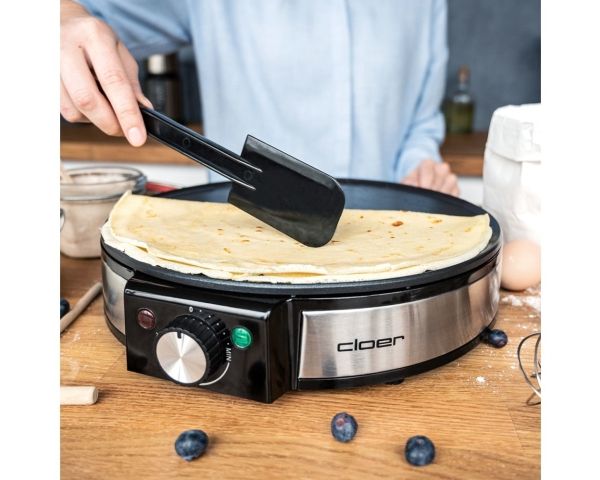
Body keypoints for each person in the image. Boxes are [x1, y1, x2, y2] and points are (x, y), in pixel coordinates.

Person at [60, 0, 459, 195]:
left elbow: (421, 120)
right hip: (241, 250)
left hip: (385, 242)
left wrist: (421, 170)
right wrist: (61, 17)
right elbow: (84, 15)